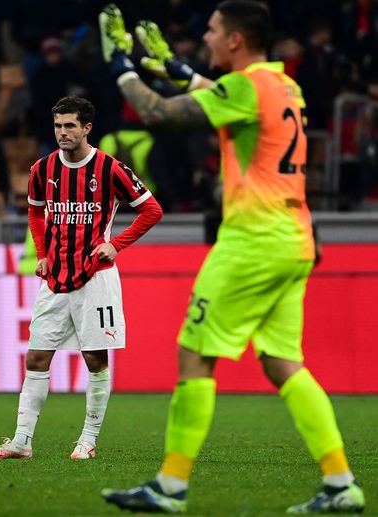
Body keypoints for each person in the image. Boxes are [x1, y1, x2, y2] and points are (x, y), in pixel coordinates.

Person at [98, 2, 366, 514]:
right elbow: (221, 95)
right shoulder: (282, 85)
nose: (206, 35)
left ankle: (169, 487)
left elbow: (159, 114)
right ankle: (341, 483)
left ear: (235, 40)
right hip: (294, 239)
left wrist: (121, 66)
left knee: (194, 355)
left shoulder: (245, 87)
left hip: (251, 242)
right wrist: (173, 68)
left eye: (213, 29)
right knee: (283, 362)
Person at [0, 95, 163, 461]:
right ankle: (22, 441)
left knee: (94, 359)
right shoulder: (42, 169)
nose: (62, 132)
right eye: (58, 126)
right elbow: (35, 213)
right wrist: (43, 253)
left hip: (96, 278)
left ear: (86, 128)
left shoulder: (110, 168)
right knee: (36, 358)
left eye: (69, 126)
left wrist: (116, 244)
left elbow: (151, 209)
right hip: (55, 280)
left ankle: (88, 440)